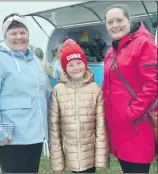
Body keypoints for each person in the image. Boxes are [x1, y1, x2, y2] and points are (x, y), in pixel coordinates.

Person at [0, 13, 49, 173]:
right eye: (13, 33)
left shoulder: (34, 61)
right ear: (5, 37)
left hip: (35, 135)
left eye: (23, 32)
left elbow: (43, 93)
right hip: (11, 138)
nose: (19, 37)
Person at [103, 4, 157, 173]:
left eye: (119, 20)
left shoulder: (143, 44)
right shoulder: (111, 52)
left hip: (137, 126)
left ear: (128, 20)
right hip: (119, 129)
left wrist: (132, 113)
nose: (115, 25)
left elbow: (153, 83)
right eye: (110, 22)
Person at [49, 39, 109, 173]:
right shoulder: (57, 91)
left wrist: (100, 157)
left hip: (90, 155)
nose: (76, 67)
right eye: (70, 65)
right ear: (64, 68)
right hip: (69, 154)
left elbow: (101, 126)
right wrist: (58, 163)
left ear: (85, 63)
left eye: (78, 62)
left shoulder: (96, 90)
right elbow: (54, 129)